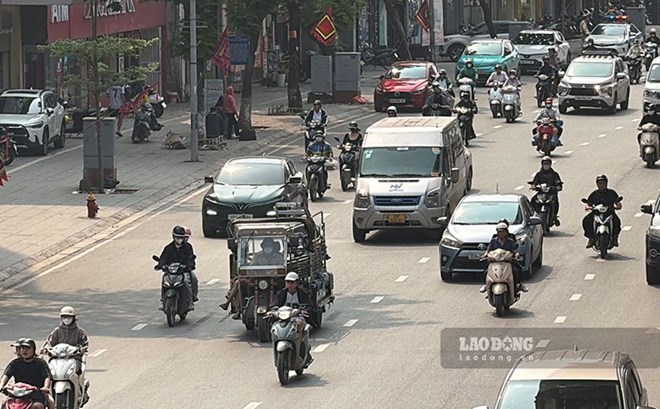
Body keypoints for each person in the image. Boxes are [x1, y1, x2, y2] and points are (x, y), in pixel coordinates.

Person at [41, 307, 89, 406]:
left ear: (74, 318)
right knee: (47, 373)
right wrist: (46, 349)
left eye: (69, 317)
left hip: (74, 358)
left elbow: (85, 343)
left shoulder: (80, 332)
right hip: (57, 359)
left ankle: (80, 391)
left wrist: (81, 349)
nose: (66, 319)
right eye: (64, 317)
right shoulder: (56, 331)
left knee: (78, 371)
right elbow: (49, 343)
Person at [274, 272, 313, 367]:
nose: (290, 285)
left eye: (292, 282)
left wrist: (304, 310)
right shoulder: (282, 293)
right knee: (275, 327)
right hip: (284, 318)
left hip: (297, 317)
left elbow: (309, 305)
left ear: (296, 283)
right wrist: (272, 311)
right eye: (288, 282)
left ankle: (299, 350)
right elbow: (275, 304)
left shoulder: (302, 293)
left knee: (299, 324)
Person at [155, 226, 198, 310]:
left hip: (183, 271)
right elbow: (163, 258)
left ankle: (190, 302)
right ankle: (162, 300)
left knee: (189, 280)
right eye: (177, 237)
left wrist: (189, 265)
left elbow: (190, 258)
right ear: (173, 237)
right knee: (164, 281)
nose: (179, 239)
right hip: (171, 272)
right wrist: (161, 265)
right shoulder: (168, 248)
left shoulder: (188, 247)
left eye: (181, 238)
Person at [0, 338, 51, 409]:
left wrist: (45, 387)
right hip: (17, 394)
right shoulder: (15, 363)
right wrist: (1, 385)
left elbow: (47, 377)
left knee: (39, 405)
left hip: (36, 394)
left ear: (33, 350)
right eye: (23, 348)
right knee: (4, 403)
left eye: (28, 348)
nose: (24, 350)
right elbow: (6, 375)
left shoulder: (40, 363)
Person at [479, 223, 528, 294]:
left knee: (516, 270)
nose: (501, 233)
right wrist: (485, 255)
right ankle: (486, 285)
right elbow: (488, 250)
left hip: (508, 261)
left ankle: (519, 284)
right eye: (499, 232)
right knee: (486, 271)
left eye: (502, 231)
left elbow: (515, 251)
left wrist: (516, 254)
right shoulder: (493, 241)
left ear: (506, 232)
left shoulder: (510, 241)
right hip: (495, 262)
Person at [582, 174, 622, 248]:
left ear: (606, 184)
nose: (602, 185)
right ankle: (591, 238)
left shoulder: (612, 193)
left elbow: (617, 202)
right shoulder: (594, 194)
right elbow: (588, 203)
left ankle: (615, 238)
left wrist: (618, 206)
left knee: (617, 221)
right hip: (596, 213)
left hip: (609, 213)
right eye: (600, 184)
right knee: (586, 220)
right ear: (597, 184)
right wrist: (588, 207)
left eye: (603, 183)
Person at [529, 157, 563, 226]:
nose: (546, 166)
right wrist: (533, 186)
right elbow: (535, 182)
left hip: (551, 194)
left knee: (555, 203)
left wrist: (558, 186)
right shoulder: (539, 174)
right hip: (541, 193)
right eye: (544, 164)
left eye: (547, 164)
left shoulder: (554, 174)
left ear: (550, 165)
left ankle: (554, 217)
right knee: (533, 200)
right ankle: (532, 215)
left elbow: (558, 182)